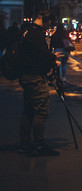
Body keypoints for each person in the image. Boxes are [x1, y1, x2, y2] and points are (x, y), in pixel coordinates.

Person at [19, 12, 60, 157]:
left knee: (29, 111)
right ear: (44, 19)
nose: (50, 25)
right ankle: (39, 144)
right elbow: (42, 55)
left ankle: (25, 143)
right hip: (35, 77)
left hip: (26, 76)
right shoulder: (36, 34)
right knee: (41, 111)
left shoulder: (26, 31)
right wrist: (54, 59)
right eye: (49, 22)